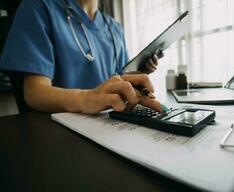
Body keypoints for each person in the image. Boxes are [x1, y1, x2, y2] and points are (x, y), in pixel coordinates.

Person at [0, 0, 165, 114]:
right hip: (59, 133)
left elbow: (120, 80)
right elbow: (35, 93)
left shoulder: (114, 27)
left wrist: (138, 75)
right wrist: (86, 98)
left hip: (110, 125)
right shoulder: (38, 8)